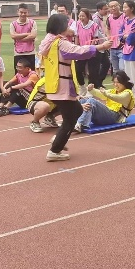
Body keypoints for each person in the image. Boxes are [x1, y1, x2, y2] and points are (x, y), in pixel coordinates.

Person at [39, 13, 112, 161]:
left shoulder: (48, 41)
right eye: (67, 25)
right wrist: (101, 47)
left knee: (77, 110)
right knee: (70, 120)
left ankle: (58, 140)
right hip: (62, 86)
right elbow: (79, 51)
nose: (70, 27)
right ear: (60, 27)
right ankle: (55, 150)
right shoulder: (60, 43)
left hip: (55, 86)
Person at [75, 7, 104, 95]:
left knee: (92, 72)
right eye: (80, 16)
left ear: (88, 16)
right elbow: (77, 37)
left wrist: (90, 47)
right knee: (78, 69)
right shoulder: (78, 24)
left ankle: (90, 90)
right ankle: (82, 87)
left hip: (91, 51)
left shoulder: (94, 25)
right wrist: (76, 47)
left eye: (83, 16)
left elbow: (95, 38)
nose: (81, 18)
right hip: (81, 50)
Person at [10, 3, 38, 73]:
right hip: (18, 53)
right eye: (21, 12)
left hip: (30, 52)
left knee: (31, 73)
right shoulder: (13, 24)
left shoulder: (32, 22)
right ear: (18, 12)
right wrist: (27, 34)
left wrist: (18, 38)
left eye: (25, 12)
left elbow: (33, 36)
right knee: (18, 73)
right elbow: (13, 36)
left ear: (28, 12)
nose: (23, 14)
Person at [92, 1, 111, 86]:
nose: (107, 10)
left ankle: (98, 82)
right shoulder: (95, 18)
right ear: (99, 10)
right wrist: (105, 40)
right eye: (105, 9)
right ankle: (96, 83)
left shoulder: (100, 17)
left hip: (101, 45)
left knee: (106, 64)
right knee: (98, 65)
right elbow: (97, 32)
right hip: (98, 46)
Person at [107, 1, 125, 73]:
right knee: (115, 70)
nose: (113, 8)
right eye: (111, 6)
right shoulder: (109, 18)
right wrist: (109, 38)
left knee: (122, 68)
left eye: (115, 6)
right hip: (112, 48)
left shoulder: (124, 17)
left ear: (119, 6)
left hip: (122, 47)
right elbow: (108, 28)